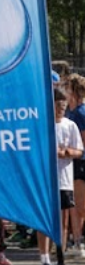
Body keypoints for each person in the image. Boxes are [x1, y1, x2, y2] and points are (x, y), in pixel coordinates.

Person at [38, 87, 83, 265]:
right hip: (46, 180)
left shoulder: (70, 125)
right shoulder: (43, 125)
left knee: (63, 220)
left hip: (64, 178)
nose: (61, 109)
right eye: (58, 106)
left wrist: (67, 152)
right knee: (45, 218)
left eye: (63, 106)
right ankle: (44, 256)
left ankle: (60, 254)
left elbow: (79, 150)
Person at [66, 74, 85, 258]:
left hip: (81, 161)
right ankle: (76, 241)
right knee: (73, 206)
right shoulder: (69, 112)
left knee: (80, 206)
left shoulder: (80, 112)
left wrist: (69, 150)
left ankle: (79, 242)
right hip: (72, 162)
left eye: (67, 87)